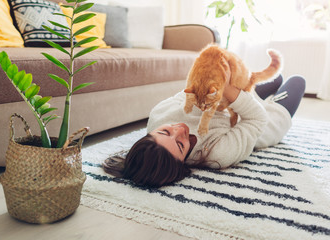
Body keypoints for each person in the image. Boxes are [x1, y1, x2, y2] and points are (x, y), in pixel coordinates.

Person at [103, 75, 306, 187]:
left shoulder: (158, 116)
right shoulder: (217, 153)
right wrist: (231, 92)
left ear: (151, 132)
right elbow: (256, 118)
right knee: (297, 81)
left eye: (165, 132)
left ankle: (256, 88)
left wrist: (212, 86)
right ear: (182, 163)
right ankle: (260, 94)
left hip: (227, 101)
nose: (179, 129)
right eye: (181, 144)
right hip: (259, 120)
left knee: (274, 76)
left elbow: (186, 92)